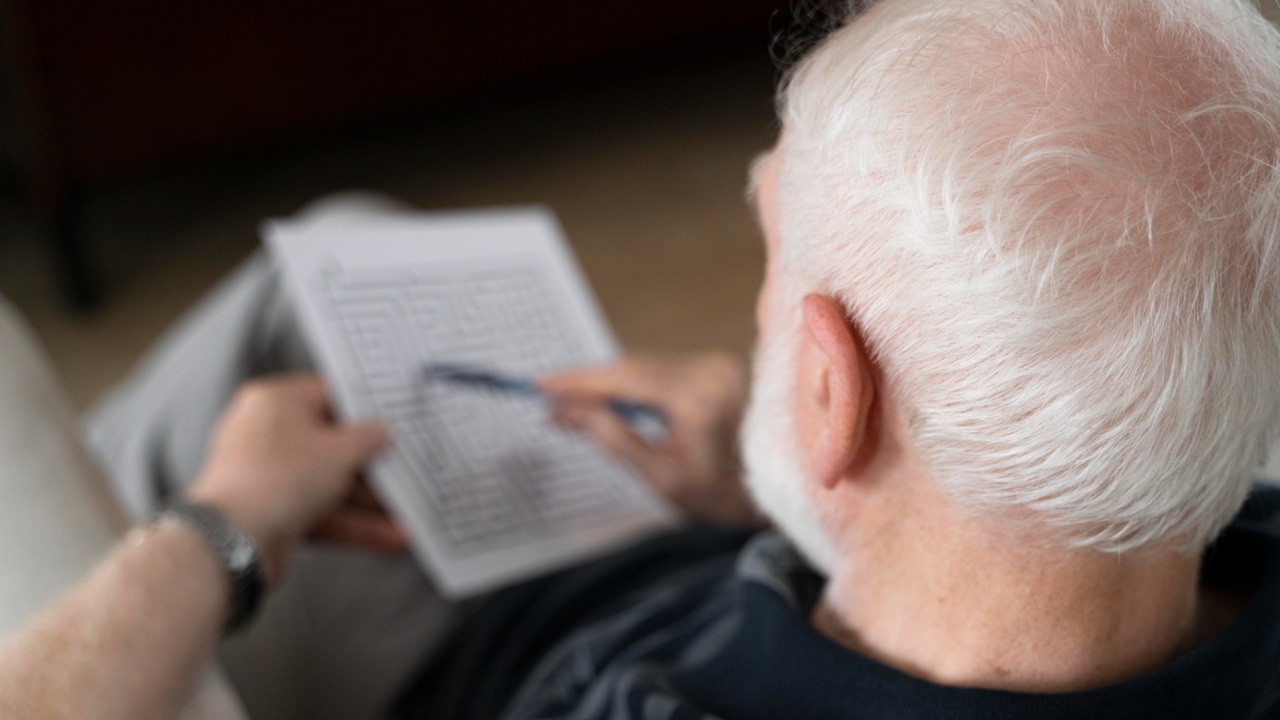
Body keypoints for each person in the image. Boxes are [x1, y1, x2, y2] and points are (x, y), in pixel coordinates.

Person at [5, 0, 1280, 717]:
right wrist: (766, 491)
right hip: (708, 544)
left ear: (832, 393)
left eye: (772, 256)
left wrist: (219, 531)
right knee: (343, 247)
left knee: (258, 341)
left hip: (448, 662)